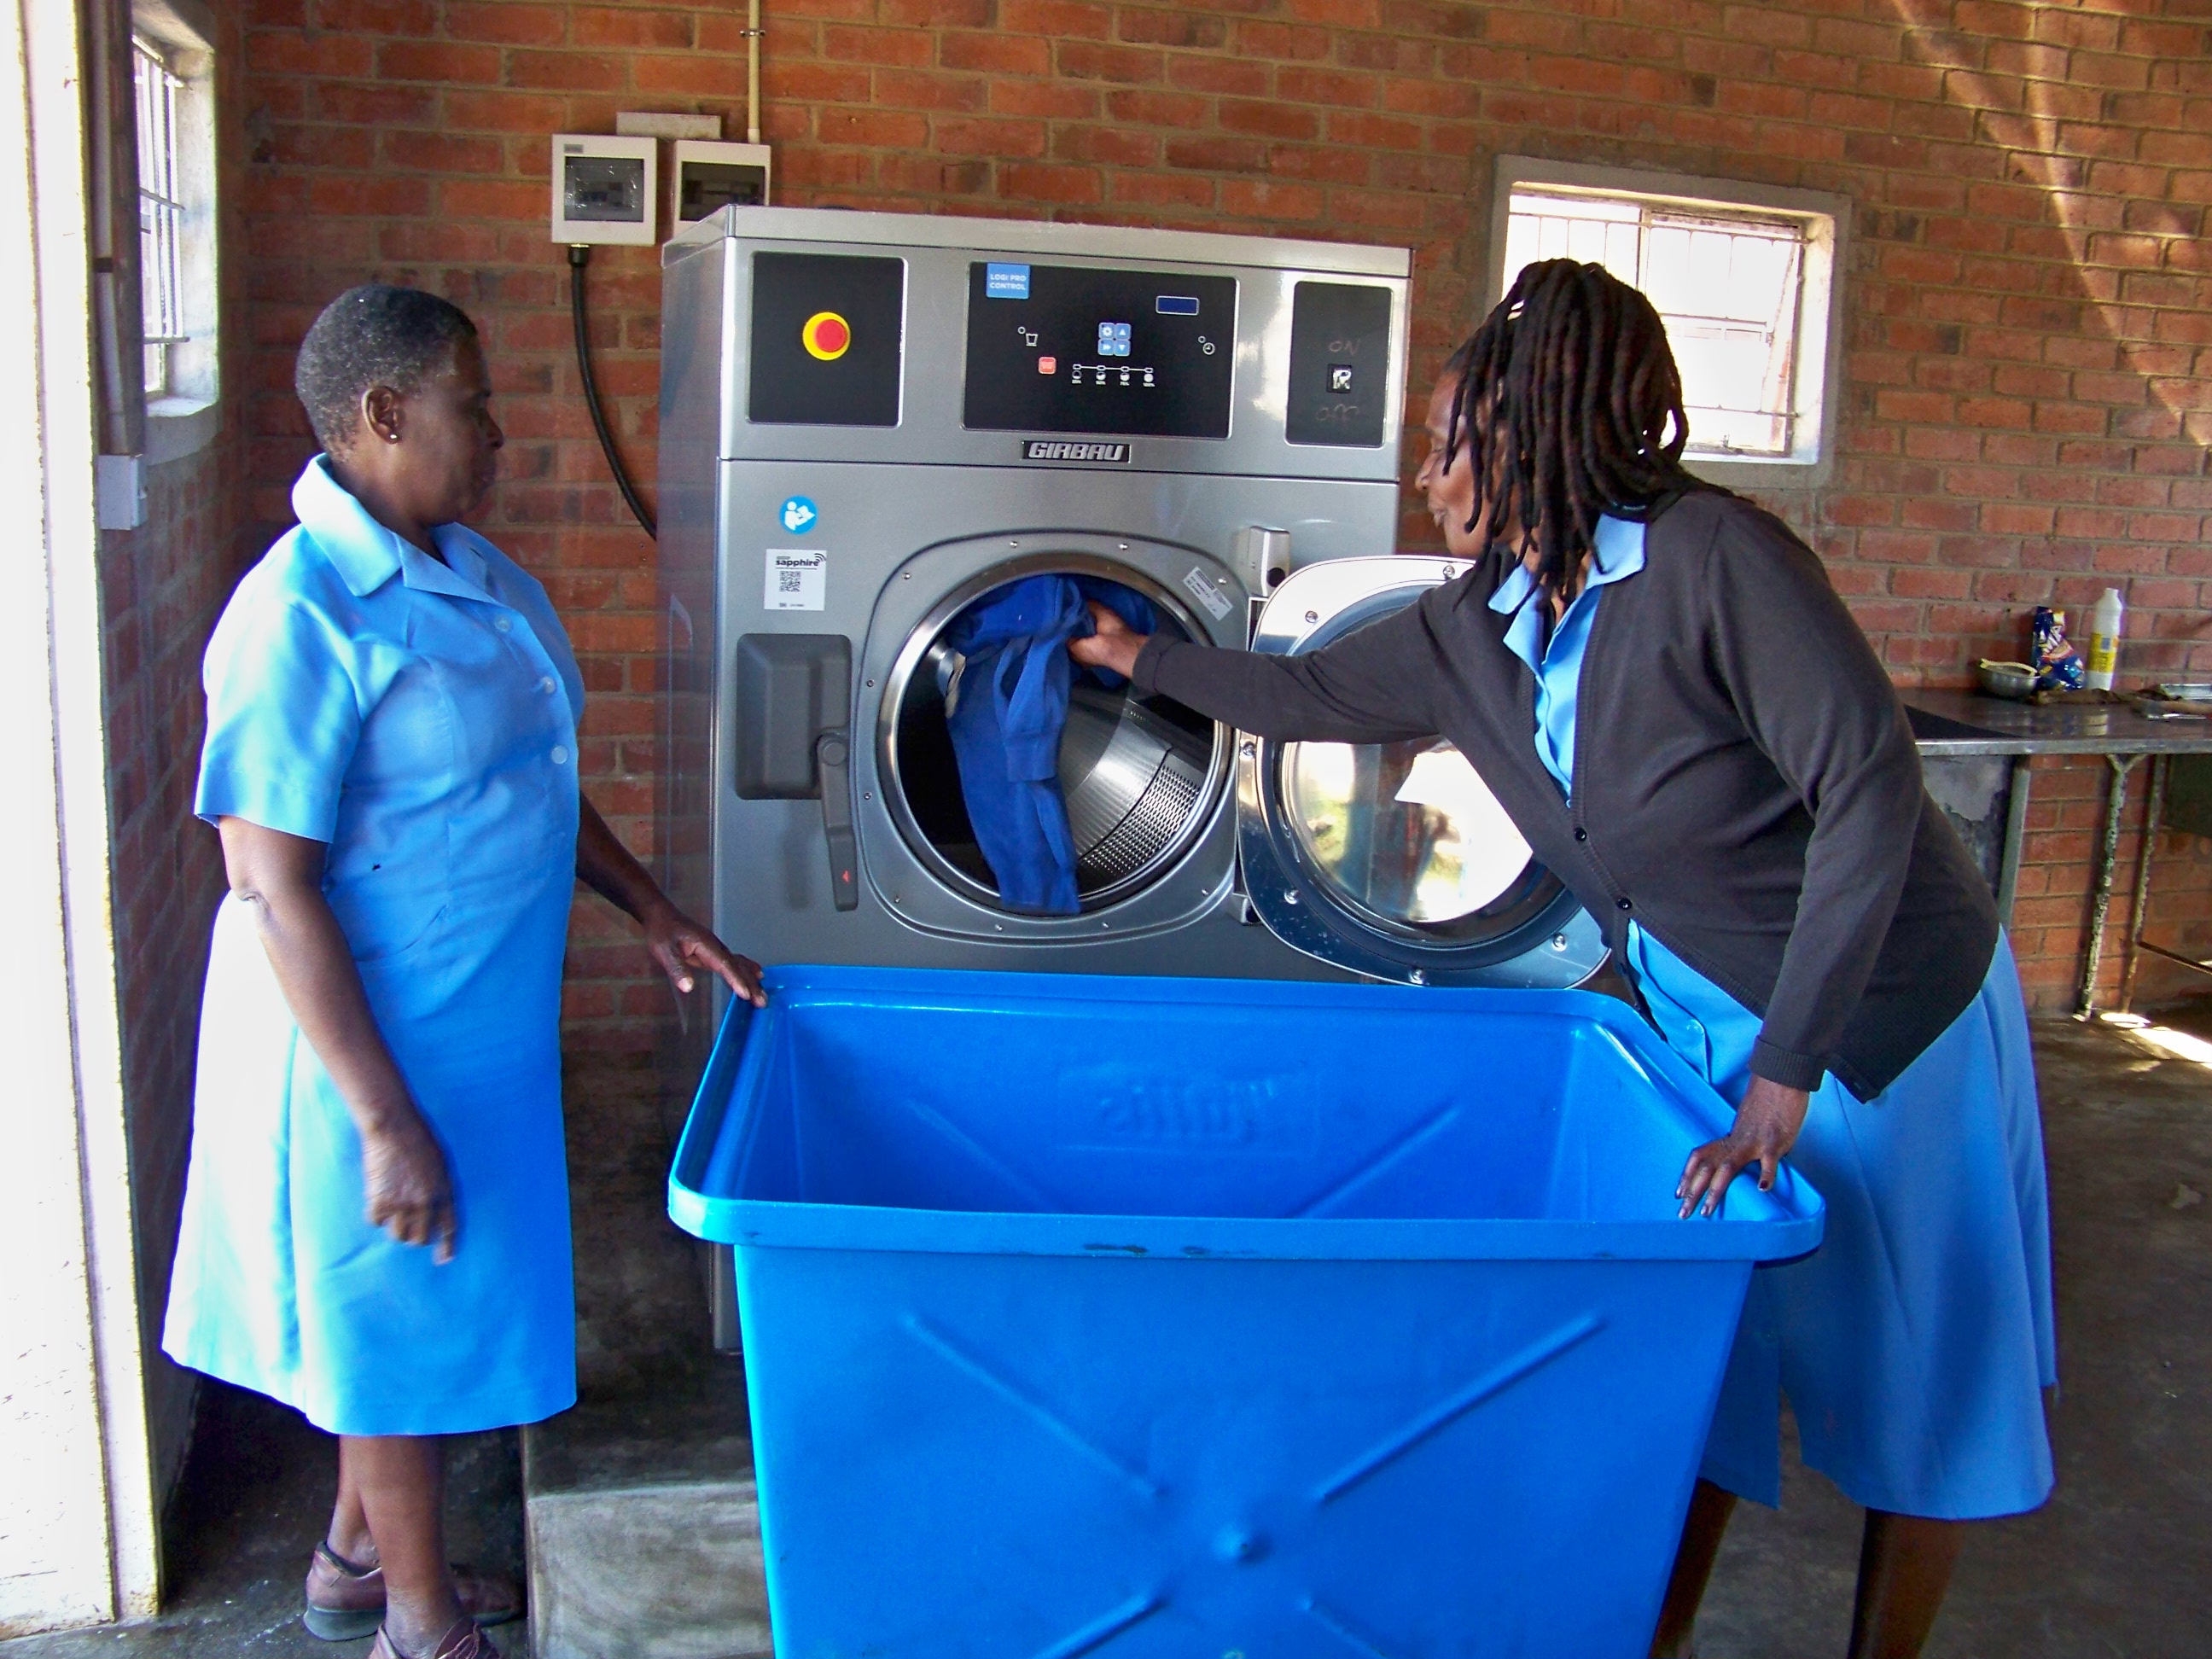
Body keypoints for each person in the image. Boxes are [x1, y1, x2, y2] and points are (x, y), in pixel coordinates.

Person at [1072, 259, 2055, 1659]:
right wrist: (1138, 660)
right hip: (1704, 1014)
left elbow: (1871, 787)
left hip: (1882, 1010)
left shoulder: (1720, 563)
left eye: (1442, 442)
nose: (1424, 477)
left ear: (1530, 429)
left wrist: (1791, 1070)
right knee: (1708, 1349)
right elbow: (1302, 695)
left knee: (1917, 1377)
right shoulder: (1476, 626)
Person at [162, 285, 766, 1659]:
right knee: (389, 1314)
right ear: (384, 414)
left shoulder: (466, 571)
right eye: (473, 404)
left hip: (466, 1020)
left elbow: (531, 782)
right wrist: (379, 1118)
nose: (499, 433)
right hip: (358, 1038)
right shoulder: (299, 611)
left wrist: (651, 910)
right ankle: (421, 1629)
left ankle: (355, 1562)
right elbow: (266, 881)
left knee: (421, 1300)